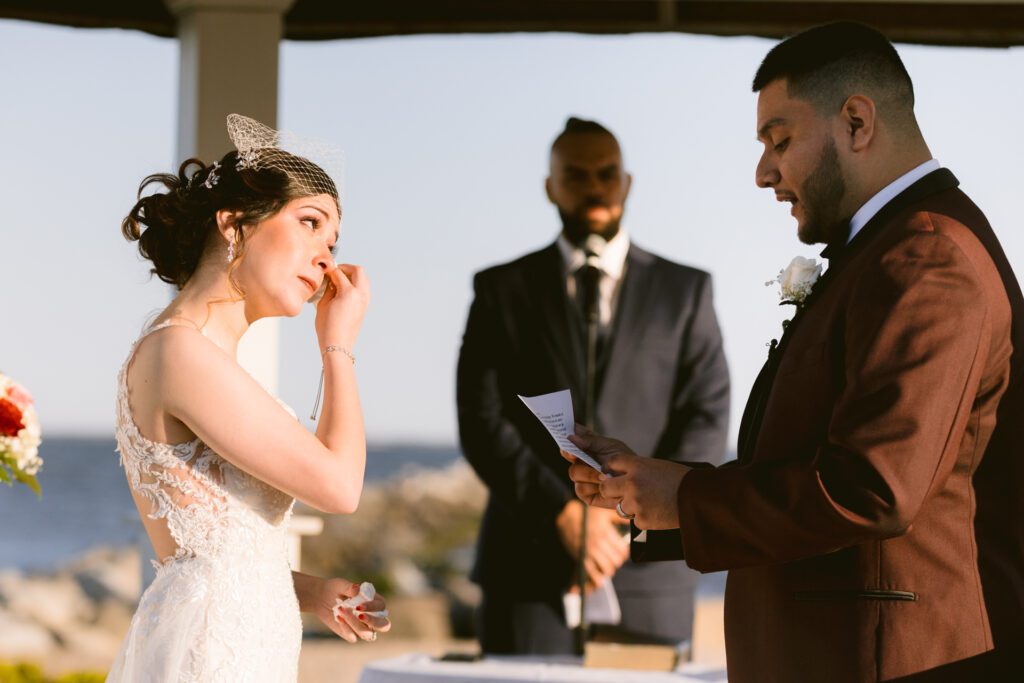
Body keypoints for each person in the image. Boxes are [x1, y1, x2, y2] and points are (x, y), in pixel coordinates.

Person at [565, 22, 1024, 681]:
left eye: (779, 140)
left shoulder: (927, 256)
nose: (764, 173)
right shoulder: (886, 250)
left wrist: (687, 497)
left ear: (857, 122)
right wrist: (651, 485)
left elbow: (872, 487)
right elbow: (809, 459)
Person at [108, 114, 390, 682]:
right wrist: (337, 344)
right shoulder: (177, 352)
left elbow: (205, 556)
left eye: (332, 242)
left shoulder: (199, 357)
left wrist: (309, 592)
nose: (326, 257)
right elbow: (340, 487)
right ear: (234, 224)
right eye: (310, 222)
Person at [457, 117, 730, 655]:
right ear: (550, 187)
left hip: (649, 573)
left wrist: (635, 513)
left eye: (606, 174)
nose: (594, 188)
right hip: (528, 571)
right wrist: (562, 513)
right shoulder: (500, 290)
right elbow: (481, 420)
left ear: (626, 182)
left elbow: (706, 413)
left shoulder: (686, 291)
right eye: (576, 176)